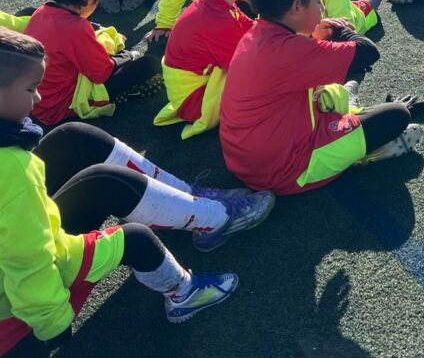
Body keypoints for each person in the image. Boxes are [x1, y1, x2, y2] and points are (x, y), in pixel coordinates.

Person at [0, 29, 279, 353]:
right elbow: (29, 263)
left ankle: (198, 202)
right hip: (16, 307)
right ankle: (186, 293)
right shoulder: (14, 171)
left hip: (14, 253)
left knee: (74, 138)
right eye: (31, 89)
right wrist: (54, 324)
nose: (38, 98)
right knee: (132, 234)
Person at [219, 0, 423, 194]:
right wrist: (338, 28)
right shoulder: (288, 50)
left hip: (247, 156)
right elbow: (368, 52)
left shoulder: (259, 32)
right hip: (282, 169)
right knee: (397, 114)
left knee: (338, 90)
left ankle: (352, 122)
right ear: (296, 7)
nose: (323, 7)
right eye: (318, 0)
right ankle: (369, 153)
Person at [25, 0, 162, 124]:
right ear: (90, 0)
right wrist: (129, 56)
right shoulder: (75, 28)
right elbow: (101, 73)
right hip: (60, 107)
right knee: (148, 64)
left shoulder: (40, 12)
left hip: (34, 101)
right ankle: (114, 97)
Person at [156, 0, 259, 138]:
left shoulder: (216, 0)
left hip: (198, 85)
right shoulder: (215, 20)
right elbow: (245, 70)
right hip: (196, 102)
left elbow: (249, 28)